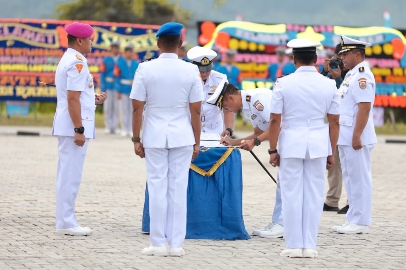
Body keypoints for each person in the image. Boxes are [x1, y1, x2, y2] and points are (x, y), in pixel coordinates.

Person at [130, 22, 203, 257]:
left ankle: (157, 243)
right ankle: (176, 244)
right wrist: (197, 141)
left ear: (158, 43)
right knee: (178, 188)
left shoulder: (145, 69)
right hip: (182, 134)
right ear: (181, 44)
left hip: (154, 134)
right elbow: (195, 111)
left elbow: (136, 109)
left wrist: (135, 138)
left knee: (157, 186)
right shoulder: (191, 70)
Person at [268, 38, 340, 258]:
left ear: (294, 59)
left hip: (291, 142)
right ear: (316, 59)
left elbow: (274, 120)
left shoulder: (283, 83)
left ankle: (293, 245)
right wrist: (331, 151)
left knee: (291, 194)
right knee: (314, 194)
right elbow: (335, 122)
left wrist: (272, 149)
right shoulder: (329, 84)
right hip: (319, 143)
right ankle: (309, 245)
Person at [207, 82, 284, 239]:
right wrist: (234, 142)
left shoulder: (258, 99)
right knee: (282, 183)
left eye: (226, 107)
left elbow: (277, 125)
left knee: (286, 183)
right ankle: (278, 222)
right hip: (283, 142)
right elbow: (259, 132)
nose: (227, 110)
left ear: (230, 97)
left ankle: (282, 224)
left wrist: (258, 144)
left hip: (289, 141)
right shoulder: (249, 104)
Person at [52, 22, 107, 236]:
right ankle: (66, 222)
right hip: (72, 125)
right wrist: (79, 129)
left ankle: (65, 219)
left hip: (70, 123)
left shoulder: (70, 59)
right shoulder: (78, 62)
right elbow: (72, 99)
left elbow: (77, 96)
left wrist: (93, 99)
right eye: (90, 39)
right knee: (70, 174)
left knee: (67, 173)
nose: (92, 43)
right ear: (80, 40)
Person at [331, 35, 376, 234]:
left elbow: (364, 108)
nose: (342, 58)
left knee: (360, 178)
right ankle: (353, 218)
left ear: (357, 54)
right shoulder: (351, 75)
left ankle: (361, 221)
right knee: (350, 177)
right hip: (347, 135)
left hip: (355, 137)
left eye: (346, 54)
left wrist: (356, 136)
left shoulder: (363, 76)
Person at [322, 43, 350, 214]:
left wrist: (339, 77)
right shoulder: (331, 71)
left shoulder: (353, 75)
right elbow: (319, 89)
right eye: (337, 58)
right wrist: (326, 72)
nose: (340, 61)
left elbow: (347, 95)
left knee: (350, 166)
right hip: (334, 124)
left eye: (342, 58)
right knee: (333, 163)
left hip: (348, 124)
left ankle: (353, 202)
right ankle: (332, 200)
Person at [187, 46, 235, 136]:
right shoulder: (187, 79)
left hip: (215, 130)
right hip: (192, 129)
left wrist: (228, 128)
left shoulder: (220, 79)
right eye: (201, 71)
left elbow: (228, 107)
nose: (204, 74)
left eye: (207, 70)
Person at [115, 43, 139, 137]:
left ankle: (130, 129)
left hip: (133, 89)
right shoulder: (120, 63)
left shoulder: (136, 63)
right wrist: (118, 91)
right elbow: (117, 77)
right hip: (124, 88)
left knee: (133, 110)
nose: (130, 53)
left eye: (131, 51)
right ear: (125, 52)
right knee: (124, 109)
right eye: (128, 51)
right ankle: (124, 128)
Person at [100, 40, 122, 134]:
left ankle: (115, 126)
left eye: (116, 47)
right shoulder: (106, 60)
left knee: (117, 107)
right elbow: (102, 74)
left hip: (117, 87)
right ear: (111, 49)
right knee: (108, 107)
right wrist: (103, 88)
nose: (115, 49)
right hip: (108, 86)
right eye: (113, 47)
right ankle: (108, 126)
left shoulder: (122, 60)